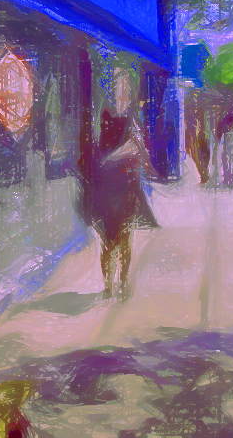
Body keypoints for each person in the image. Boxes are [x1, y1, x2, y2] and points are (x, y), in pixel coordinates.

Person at [80, 68, 159, 301]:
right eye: (118, 86)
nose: (121, 91)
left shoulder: (133, 119)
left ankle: (122, 282)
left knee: (124, 237)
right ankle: (107, 285)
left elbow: (141, 152)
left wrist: (136, 155)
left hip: (126, 186)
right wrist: (117, 156)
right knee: (107, 239)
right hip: (105, 187)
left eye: (125, 87)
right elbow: (94, 152)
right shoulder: (102, 116)